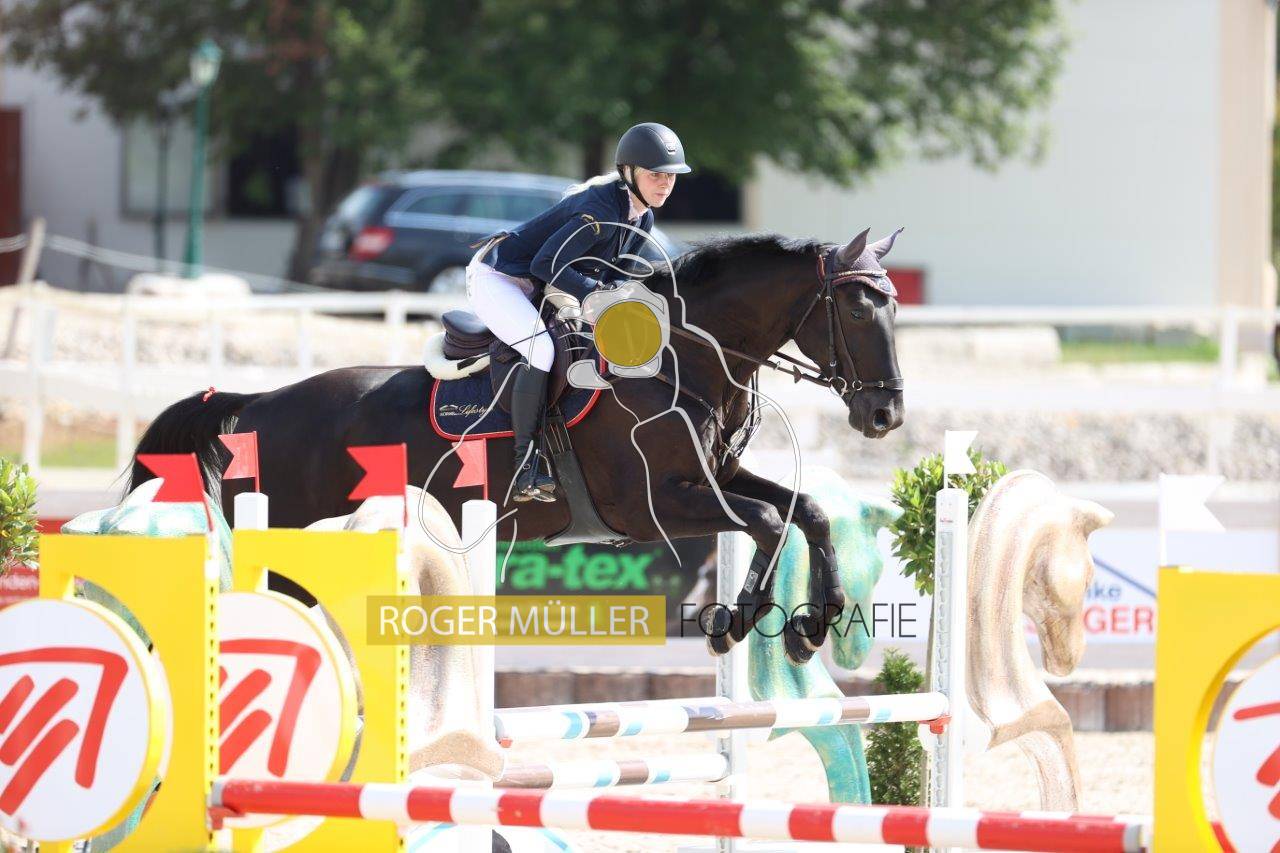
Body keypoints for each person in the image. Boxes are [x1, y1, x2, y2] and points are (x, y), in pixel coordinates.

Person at [465, 122, 690, 502]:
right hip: (499, 278)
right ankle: (525, 466)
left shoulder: (642, 215)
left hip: (537, 283)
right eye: (656, 174)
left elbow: (613, 274)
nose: (665, 183)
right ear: (628, 172)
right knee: (541, 350)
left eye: (670, 176)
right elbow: (546, 264)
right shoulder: (597, 210)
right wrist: (597, 294)